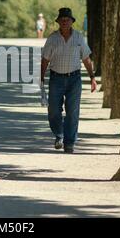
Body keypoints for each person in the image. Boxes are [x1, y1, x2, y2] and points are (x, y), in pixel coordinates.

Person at [41, 8, 97, 154]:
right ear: (58, 22)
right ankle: (59, 135)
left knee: (72, 112)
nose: (65, 22)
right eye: (62, 19)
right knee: (53, 110)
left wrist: (92, 77)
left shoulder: (79, 38)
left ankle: (69, 142)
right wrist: (40, 78)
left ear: (72, 22)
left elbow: (86, 58)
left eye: (68, 19)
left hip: (74, 79)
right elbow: (45, 59)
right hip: (56, 78)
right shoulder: (52, 38)